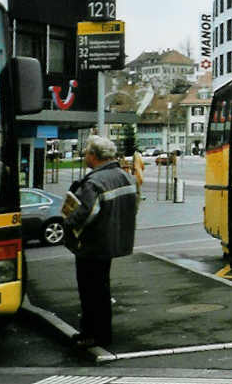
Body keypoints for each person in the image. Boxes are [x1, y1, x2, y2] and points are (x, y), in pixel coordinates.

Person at [63, 135, 138, 348]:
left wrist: (68, 225)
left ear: (94, 156)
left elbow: (84, 215)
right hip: (112, 243)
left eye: (86, 152)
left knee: (90, 292)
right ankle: (100, 332)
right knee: (102, 289)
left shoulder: (94, 182)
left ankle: (93, 334)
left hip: (92, 245)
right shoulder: (125, 176)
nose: (85, 156)